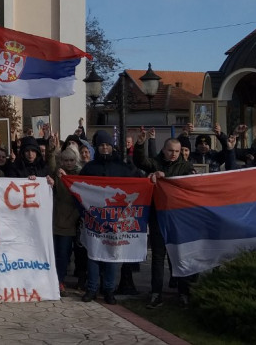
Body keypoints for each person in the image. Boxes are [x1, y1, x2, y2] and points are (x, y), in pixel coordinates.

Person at [133, 130, 196, 309]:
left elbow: (190, 184)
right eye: (170, 151)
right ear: (164, 149)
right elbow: (140, 161)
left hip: (178, 219)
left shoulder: (185, 166)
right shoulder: (156, 163)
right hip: (158, 217)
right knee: (158, 258)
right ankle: (156, 293)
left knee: (180, 256)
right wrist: (140, 144)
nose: (173, 154)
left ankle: (184, 293)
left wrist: (165, 178)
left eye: (177, 151)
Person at [79, 129, 140, 305]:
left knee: (112, 255)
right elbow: (78, 188)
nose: (104, 148)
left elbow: (134, 186)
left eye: (107, 145)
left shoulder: (122, 167)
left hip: (115, 219)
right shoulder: (89, 168)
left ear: (112, 147)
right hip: (94, 219)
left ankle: (109, 290)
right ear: (96, 148)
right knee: (93, 255)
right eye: (101, 145)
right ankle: (92, 288)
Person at [53, 147, 82, 296]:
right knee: (55, 253)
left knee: (64, 254)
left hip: (71, 221)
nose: (69, 163)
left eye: (71, 160)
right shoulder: (55, 174)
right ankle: (55, 281)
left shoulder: (80, 175)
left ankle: (61, 281)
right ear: (61, 161)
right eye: (66, 160)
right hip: (55, 220)